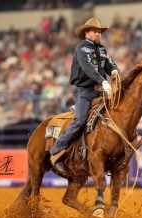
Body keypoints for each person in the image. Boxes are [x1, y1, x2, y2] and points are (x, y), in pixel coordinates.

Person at [50, 17, 120, 170]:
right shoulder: (82, 48)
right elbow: (88, 68)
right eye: (95, 31)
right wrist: (103, 81)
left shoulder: (101, 49)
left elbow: (108, 63)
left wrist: (115, 70)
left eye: (99, 32)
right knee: (80, 121)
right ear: (87, 33)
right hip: (84, 91)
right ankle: (56, 150)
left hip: (100, 91)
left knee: (115, 113)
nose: (98, 34)